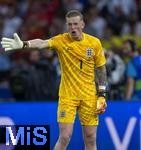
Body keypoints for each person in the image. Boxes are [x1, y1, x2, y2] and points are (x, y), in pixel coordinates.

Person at [1, 10, 107, 150]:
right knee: (64, 137)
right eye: (70, 24)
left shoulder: (94, 43)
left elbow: (100, 69)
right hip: (67, 96)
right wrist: (24, 44)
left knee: (91, 138)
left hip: (89, 96)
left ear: (82, 24)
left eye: (75, 24)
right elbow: (42, 43)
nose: (73, 27)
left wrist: (102, 94)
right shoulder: (61, 41)